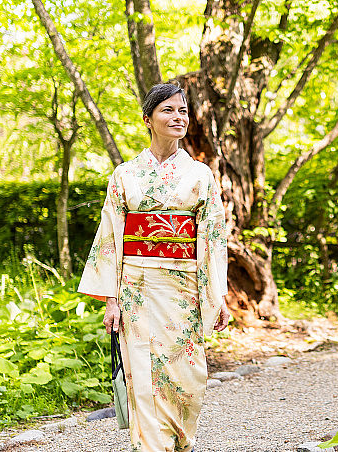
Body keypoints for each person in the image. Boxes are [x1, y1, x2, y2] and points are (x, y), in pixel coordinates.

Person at [78, 83, 230, 452]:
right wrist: (111, 300)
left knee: (187, 379)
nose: (178, 117)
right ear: (148, 119)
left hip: (184, 289)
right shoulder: (125, 175)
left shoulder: (200, 175)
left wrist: (218, 294)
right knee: (143, 378)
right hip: (137, 288)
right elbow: (111, 238)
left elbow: (212, 238)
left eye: (182, 111)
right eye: (168, 110)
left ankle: (180, 443)